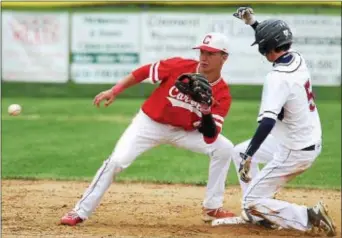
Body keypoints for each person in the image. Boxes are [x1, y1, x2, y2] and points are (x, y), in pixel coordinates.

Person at [60, 32, 238, 226]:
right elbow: (144, 71)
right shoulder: (179, 67)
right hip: (149, 124)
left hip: (186, 132)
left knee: (224, 148)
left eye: (211, 53)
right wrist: (115, 90)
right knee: (117, 161)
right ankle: (80, 211)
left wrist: (205, 109)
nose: (204, 57)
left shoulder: (222, 94)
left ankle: (212, 207)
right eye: (202, 51)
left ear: (224, 57)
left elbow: (211, 138)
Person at [231, 7, 336, 236]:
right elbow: (273, 39)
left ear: (266, 48)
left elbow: (267, 122)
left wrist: (250, 155)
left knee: (250, 198)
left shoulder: (277, 78)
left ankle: (307, 217)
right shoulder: (297, 58)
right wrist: (253, 23)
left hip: (294, 150)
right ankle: (260, 212)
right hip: (300, 139)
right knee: (237, 152)